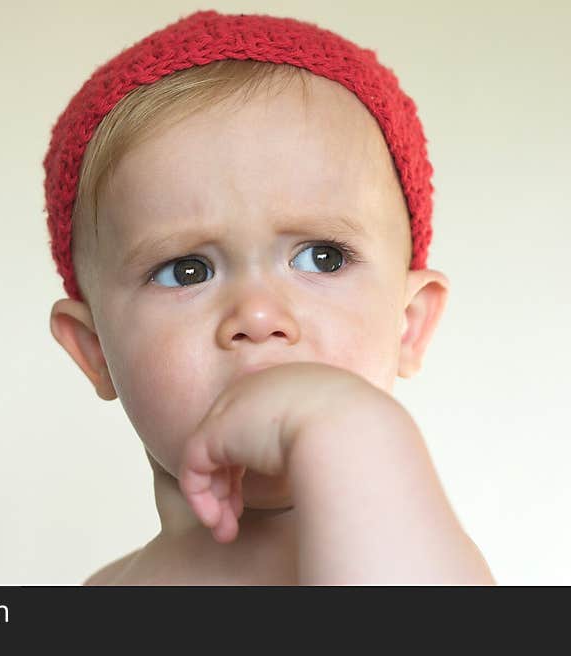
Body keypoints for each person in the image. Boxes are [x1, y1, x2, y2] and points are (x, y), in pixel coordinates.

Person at [42, 10, 495, 584]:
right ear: (95, 350)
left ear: (407, 323)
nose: (257, 316)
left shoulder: (413, 558)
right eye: (187, 270)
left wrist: (352, 428)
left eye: (321, 258)